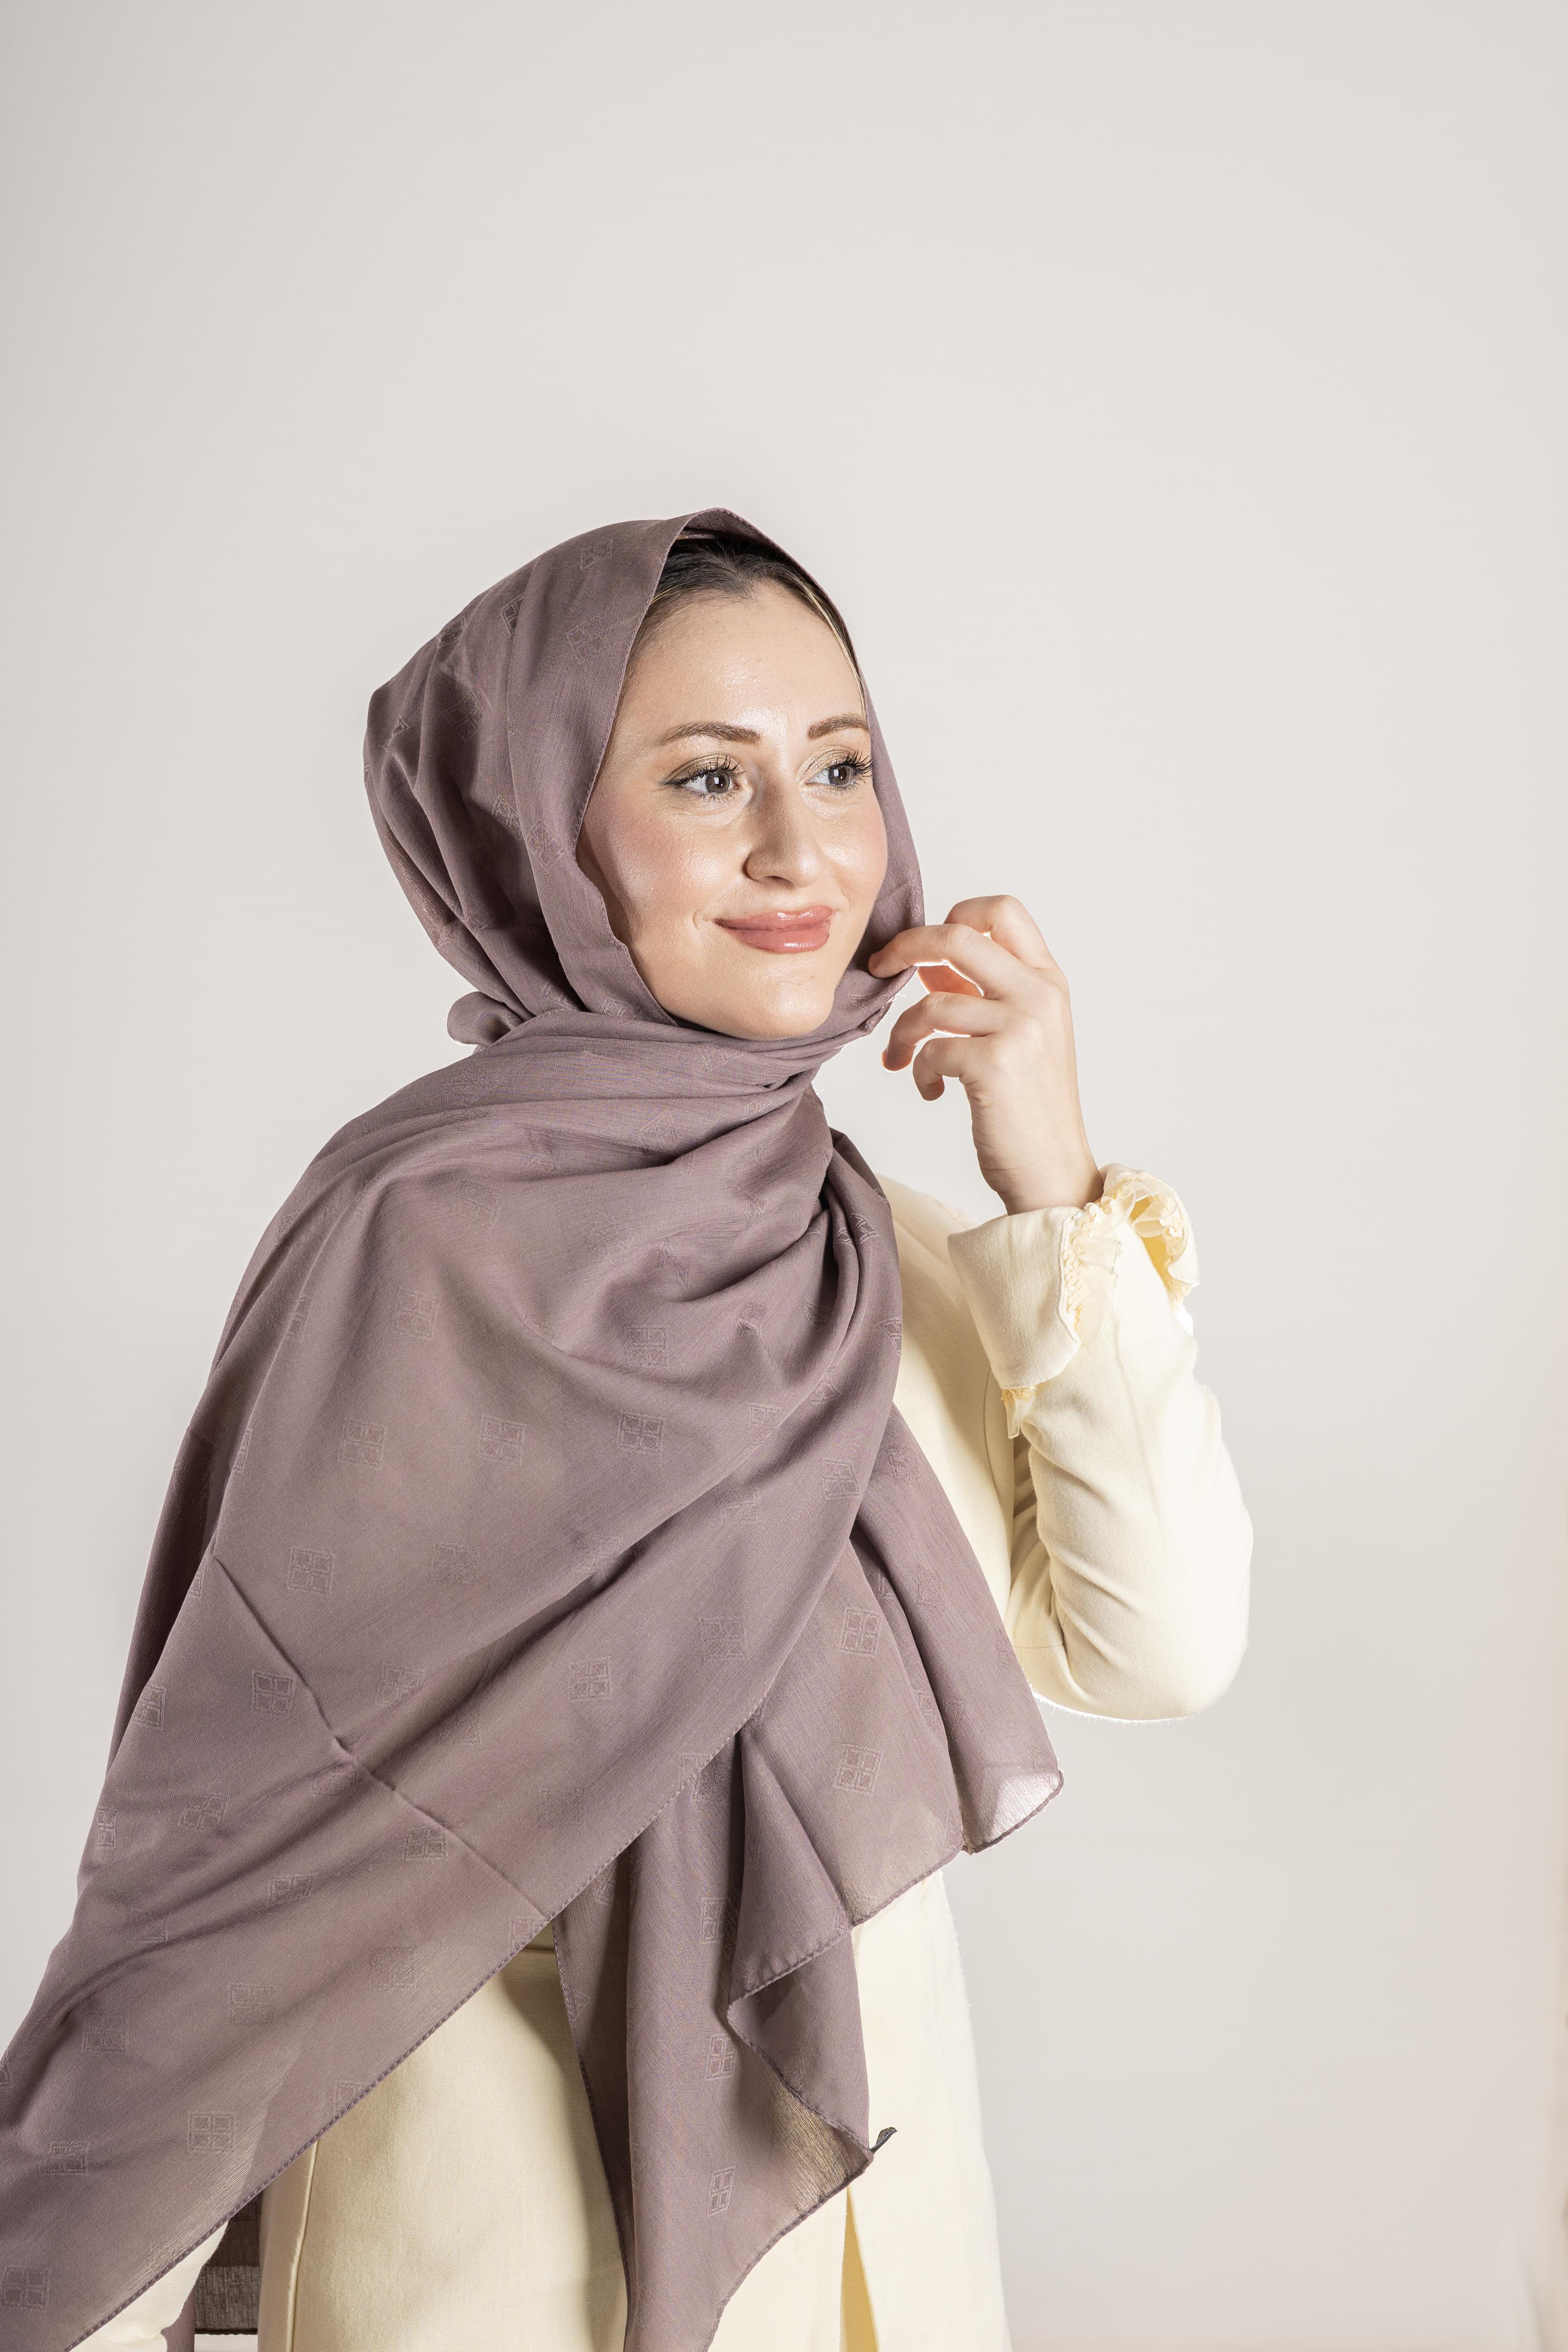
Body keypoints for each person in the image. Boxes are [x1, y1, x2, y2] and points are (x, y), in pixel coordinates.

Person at [2, 512, 1251, 2352]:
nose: (801, 849)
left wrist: (1054, 1182)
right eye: (705, 777)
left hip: (883, 2277)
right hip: (492, 2281)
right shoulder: (418, 1247)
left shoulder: (889, 1260)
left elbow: (1158, 1649)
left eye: (841, 768)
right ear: (539, 829)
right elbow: (235, 1864)